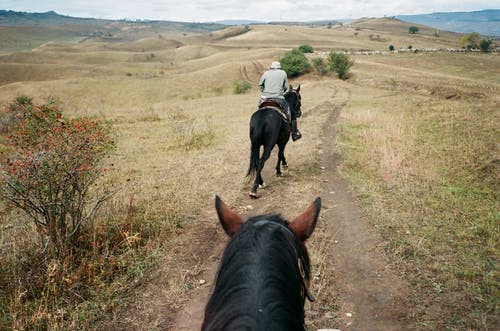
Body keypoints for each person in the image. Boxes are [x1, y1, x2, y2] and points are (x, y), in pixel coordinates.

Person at [258, 61, 302, 141]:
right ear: (279, 67)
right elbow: (286, 87)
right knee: (292, 113)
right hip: (278, 98)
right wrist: (281, 91)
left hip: (265, 98)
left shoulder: (266, 73)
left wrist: (265, 91)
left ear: (271, 67)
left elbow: (260, 85)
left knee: (260, 110)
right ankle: (295, 133)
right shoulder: (283, 73)